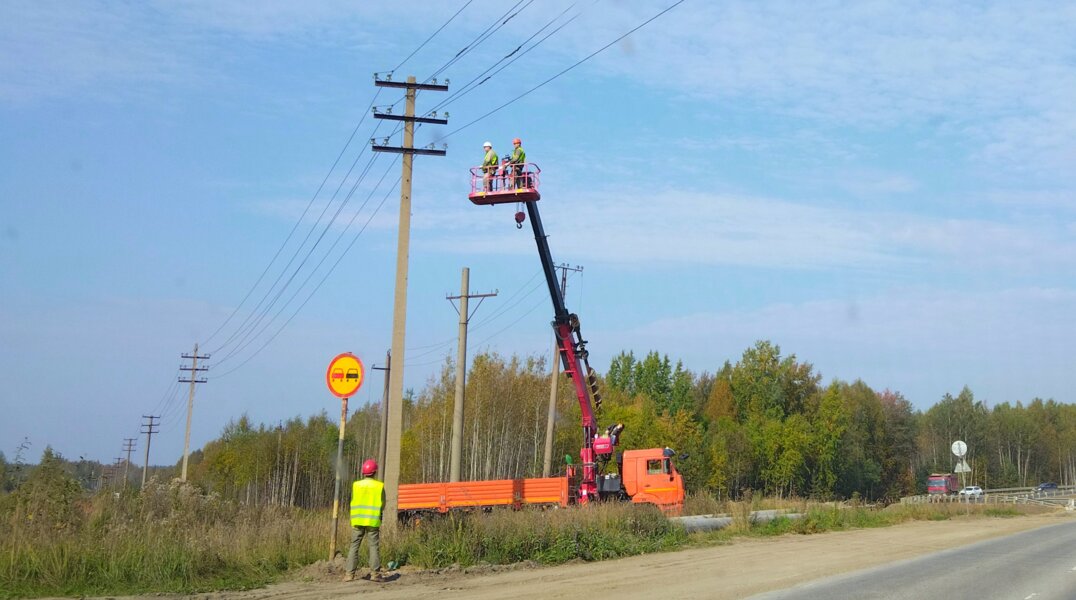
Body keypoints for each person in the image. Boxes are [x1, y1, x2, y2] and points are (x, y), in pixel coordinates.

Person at [343, 459, 386, 583]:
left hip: (357, 520)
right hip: (372, 521)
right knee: (373, 546)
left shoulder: (356, 485)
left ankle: (349, 575)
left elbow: (352, 500)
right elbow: (383, 503)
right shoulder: (379, 486)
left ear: (363, 472)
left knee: (354, 546)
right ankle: (375, 574)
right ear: (375, 472)